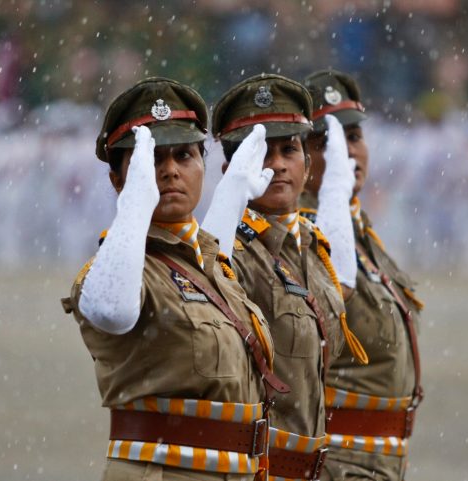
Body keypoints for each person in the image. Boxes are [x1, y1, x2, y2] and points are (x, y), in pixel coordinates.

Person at [60, 77, 289, 481]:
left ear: (202, 164)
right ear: (118, 180)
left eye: (184, 156)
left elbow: (205, 262)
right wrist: (135, 202)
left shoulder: (209, 263)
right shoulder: (119, 271)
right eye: (153, 162)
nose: (169, 172)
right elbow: (113, 309)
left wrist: (233, 194)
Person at [202, 73, 368, 481]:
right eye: (261, 152)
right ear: (232, 168)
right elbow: (207, 295)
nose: (276, 164)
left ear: (307, 163)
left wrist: (335, 198)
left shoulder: (312, 246)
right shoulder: (231, 254)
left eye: (289, 149)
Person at [300, 69, 424, 481]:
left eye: (353, 138)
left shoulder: (356, 228)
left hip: (377, 464)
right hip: (337, 464)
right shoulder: (299, 235)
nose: (347, 154)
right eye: (327, 144)